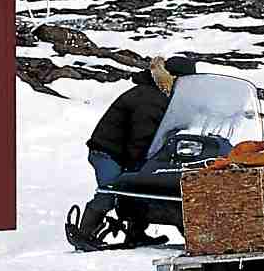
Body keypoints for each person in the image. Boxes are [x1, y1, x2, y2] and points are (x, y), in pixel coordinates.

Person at [71, 55, 197, 249]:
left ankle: (136, 234)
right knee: (112, 190)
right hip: (108, 152)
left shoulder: (165, 96)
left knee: (139, 188)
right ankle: (84, 235)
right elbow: (141, 138)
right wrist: (139, 170)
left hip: (126, 151)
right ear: (175, 79)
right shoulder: (150, 98)